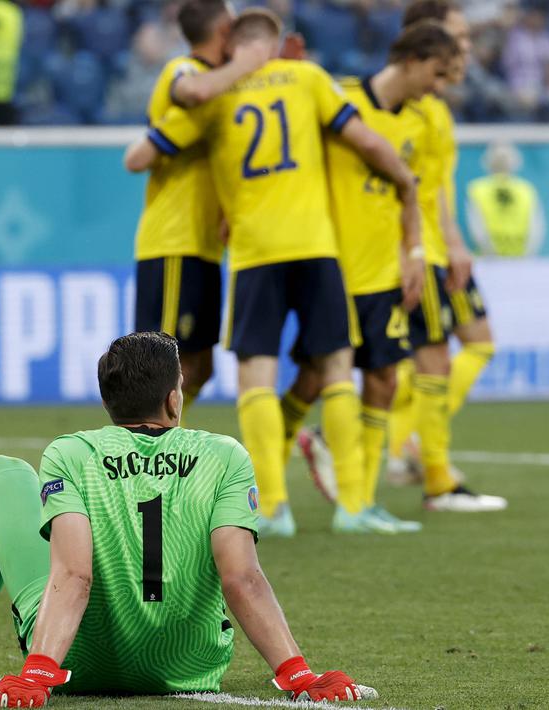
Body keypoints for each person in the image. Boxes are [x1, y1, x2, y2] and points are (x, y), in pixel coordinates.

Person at [0, 332, 376, 705]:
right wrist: (298, 675)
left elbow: (74, 574)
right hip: (190, 667)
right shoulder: (224, 456)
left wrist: (36, 675)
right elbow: (242, 577)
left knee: (3, 471)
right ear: (174, 400)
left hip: (75, 663)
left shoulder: (71, 453)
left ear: (108, 404)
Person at [126, 9, 420, 537]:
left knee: (255, 374)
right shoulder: (308, 79)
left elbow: (150, 144)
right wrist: (406, 181)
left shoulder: (220, 96)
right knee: (336, 367)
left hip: (255, 251)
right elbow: (368, 141)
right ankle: (353, 506)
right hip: (314, 245)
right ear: (275, 43)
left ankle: (272, 508)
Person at [283, 22, 460, 535]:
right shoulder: (339, 97)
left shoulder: (422, 121)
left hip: (384, 271)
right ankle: (264, 477)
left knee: (384, 379)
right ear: (411, 58)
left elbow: (414, 191)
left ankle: (357, 503)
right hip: (331, 267)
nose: (438, 86)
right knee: (313, 379)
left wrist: (414, 252)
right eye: (436, 72)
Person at [380, 0, 506, 512]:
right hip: (416, 249)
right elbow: (415, 191)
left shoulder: (435, 108)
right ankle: (422, 463)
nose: (465, 49)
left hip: (434, 244)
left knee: (450, 350)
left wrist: (454, 240)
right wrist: (431, 245)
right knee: (435, 355)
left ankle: (409, 449)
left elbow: (437, 188)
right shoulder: (410, 108)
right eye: (457, 38)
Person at [121, 0, 274, 423]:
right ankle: (136, 460)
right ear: (224, 30)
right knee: (160, 366)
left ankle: (160, 440)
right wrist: (248, 63)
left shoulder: (222, 94)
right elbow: (189, 96)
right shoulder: (183, 71)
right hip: (173, 240)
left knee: (200, 367)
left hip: (204, 246)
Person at [466, 141, 545, 257]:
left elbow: (477, 230)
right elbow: (536, 230)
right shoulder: (525, 189)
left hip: (488, 259)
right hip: (518, 259)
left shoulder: (478, 188)